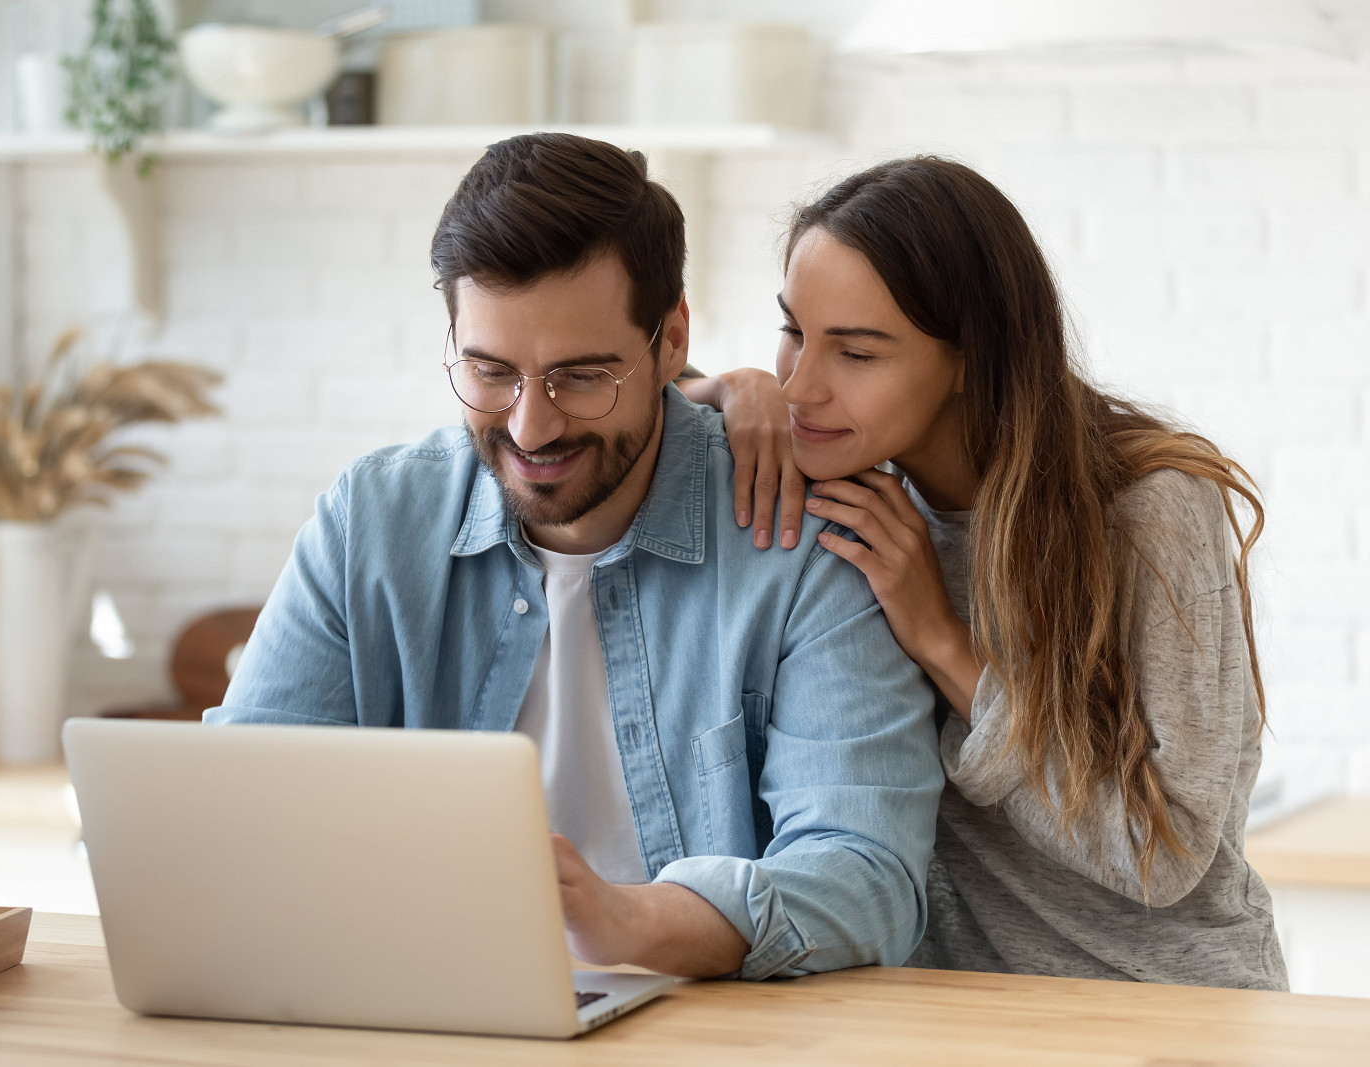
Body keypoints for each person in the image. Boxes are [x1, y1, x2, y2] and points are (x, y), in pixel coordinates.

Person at [206, 133, 943, 981]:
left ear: (672, 341)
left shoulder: (801, 539)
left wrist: (629, 920)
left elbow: (869, 877)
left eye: (581, 376)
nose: (531, 427)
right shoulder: (368, 524)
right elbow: (242, 812)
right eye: (490, 372)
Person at [700, 155, 1284, 989]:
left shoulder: (1152, 507)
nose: (801, 386)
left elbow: (1167, 854)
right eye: (792, 331)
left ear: (972, 356)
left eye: (856, 353)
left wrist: (943, 639)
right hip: (963, 1009)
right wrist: (723, 387)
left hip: (1173, 1008)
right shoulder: (853, 479)